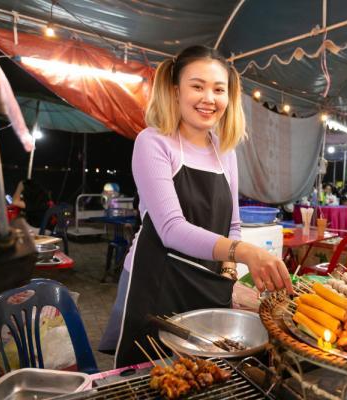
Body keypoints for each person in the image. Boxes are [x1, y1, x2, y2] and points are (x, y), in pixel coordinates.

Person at [99, 46, 293, 368]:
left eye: (219, 89)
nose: (209, 98)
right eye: (197, 86)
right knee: (157, 376)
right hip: (156, 282)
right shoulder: (154, 142)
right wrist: (245, 253)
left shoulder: (225, 151)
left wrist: (229, 276)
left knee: (206, 372)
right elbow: (172, 229)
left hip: (207, 281)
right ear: (175, 90)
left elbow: (232, 223)